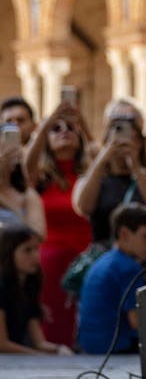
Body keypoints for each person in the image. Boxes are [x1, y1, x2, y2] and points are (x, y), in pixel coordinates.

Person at [23, 97, 93, 348]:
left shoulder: (90, 173)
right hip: (50, 260)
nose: (64, 131)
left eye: (71, 128)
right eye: (57, 128)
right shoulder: (40, 177)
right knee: (54, 328)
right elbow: (25, 167)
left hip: (85, 258)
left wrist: (83, 124)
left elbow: (100, 153)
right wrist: (45, 125)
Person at [73, 100, 146, 244]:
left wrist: (136, 167)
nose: (123, 142)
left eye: (132, 138)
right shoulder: (95, 180)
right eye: (116, 137)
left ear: (141, 143)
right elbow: (83, 207)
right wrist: (102, 159)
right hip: (106, 253)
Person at [77, 204, 146, 355]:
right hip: (114, 348)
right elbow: (136, 321)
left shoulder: (104, 260)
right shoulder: (129, 268)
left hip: (90, 346)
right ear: (125, 234)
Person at [0, 225, 72, 355]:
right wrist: (39, 356)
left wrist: (58, 349)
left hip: (18, 356)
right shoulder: (2, 286)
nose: (35, 256)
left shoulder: (29, 286)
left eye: (37, 249)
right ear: (8, 252)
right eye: (27, 250)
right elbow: (2, 344)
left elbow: (39, 342)